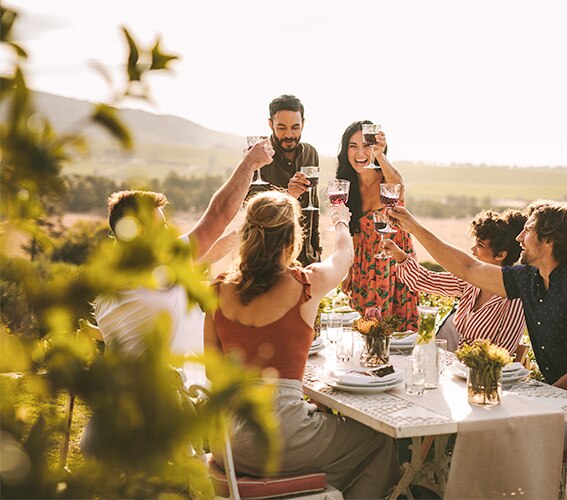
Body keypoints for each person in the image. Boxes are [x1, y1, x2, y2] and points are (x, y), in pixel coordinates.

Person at [387, 201, 567, 451]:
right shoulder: (529, 280)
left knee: (501, 431)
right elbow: (468, 268)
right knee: (485, 423)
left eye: (528, 229)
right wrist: (412, 226)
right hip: (558, 405)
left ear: (548, 240)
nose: (518, 237)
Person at [204, 191, 400, 498]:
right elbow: (344, 258)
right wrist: (340, 222)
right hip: (277, 437)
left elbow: (214, 373)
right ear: (291, 237)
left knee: (322, 431)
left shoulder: (217, 290)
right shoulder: (306, 283)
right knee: (378, 440)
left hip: (226, 440)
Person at [92, 139, 274, 360]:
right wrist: (250, 164)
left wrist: (249, 231)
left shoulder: (109, 280)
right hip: (183, 390)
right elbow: (219, 213)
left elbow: (206, 256)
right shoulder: (160, 267)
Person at [383, 209, 527, 354]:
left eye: (480, 245)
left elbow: (502, 352)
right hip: (457, 368)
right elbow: (425, 280)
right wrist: (399, 255)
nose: (473, 250)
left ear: (501, 255)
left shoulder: (514, 299)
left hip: (482, 372)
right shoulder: (471, 282)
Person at [336, 120, 419, 332]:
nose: (359, 152)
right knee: (368, 333)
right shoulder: (347, 185)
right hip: (365, 268)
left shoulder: (387, 179)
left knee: (399, 336)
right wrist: (350, 271)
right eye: (353, 146)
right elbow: (355, 232)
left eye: (366, 145)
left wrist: (380, 155)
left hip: (396, 264)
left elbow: (398, 184)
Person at [247, 94, 321, 266]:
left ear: (303, 123)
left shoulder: (311, 153)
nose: (289, 135)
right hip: (269, 261)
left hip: (307, 259)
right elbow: (253, 213)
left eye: (295, 127)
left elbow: (313, 207)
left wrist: (316, 252)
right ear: (270, 124)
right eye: (281, 128)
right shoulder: (256, 157)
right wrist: (288, 196)